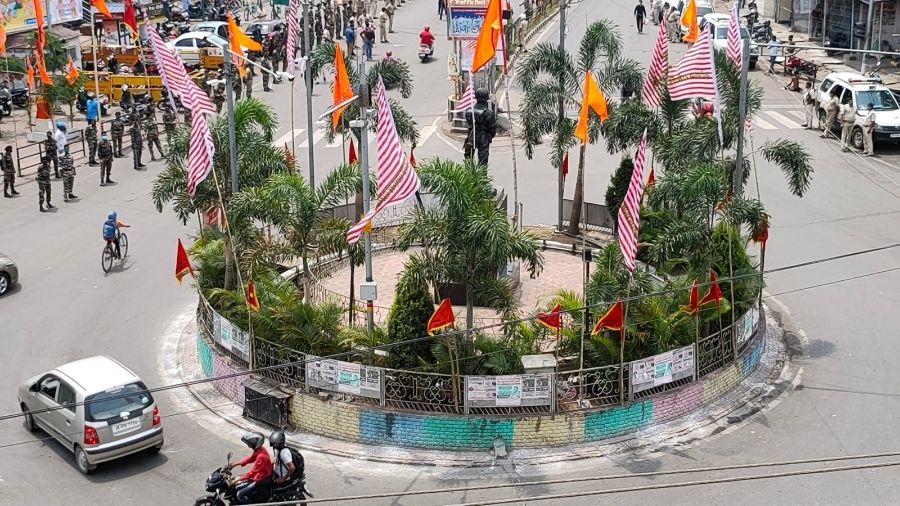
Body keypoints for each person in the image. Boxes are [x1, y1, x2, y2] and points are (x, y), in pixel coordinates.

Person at [227, 432, 273, 504]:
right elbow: (250, 459)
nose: (249, 444)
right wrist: (235, 464)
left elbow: (252, 473)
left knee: (239, 494)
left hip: (261, 479)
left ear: (256, 443)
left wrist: (236, 480)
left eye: (250, 443)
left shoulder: (261, 456)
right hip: (258, 475)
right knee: (237, 486)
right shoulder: (260, 449)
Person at [465, 88, 498, 167]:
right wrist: (490, 135)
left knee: (468, 158)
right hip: (484, 138)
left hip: (472, 135)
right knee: (483, 161)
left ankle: (469, 175)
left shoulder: (469, 111)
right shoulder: (488, 113)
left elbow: (468, 123)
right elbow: (492, 128)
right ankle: (481, 177)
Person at [56, 122, 78, 202]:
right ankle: (65, 195)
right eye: (66, 148)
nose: (67, 149)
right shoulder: (61, 156)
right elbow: (59, 165)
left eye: (68, 148)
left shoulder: (70, 155)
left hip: (70, 171)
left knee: (71, 183)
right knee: (65, 184)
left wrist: (74, 171)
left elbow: (72, 164)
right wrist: (60, 172)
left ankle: (70, 193)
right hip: (65, 172)